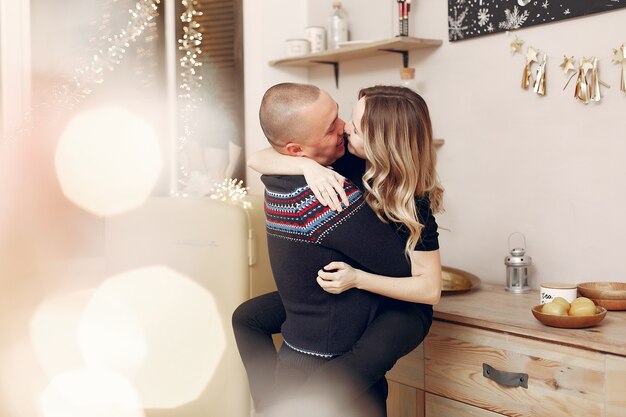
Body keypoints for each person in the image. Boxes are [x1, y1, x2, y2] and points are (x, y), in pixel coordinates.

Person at [232, 83, 443, 417]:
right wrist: (306, 166)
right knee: (247, 317)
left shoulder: (416, 201)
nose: (345, 128)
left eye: (355, 128)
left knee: (344, 375)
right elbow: (261, 158)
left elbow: (428, 288)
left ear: (380, 144)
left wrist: (358, 279)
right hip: (356, 279)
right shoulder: (347, 161)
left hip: (404, 301)